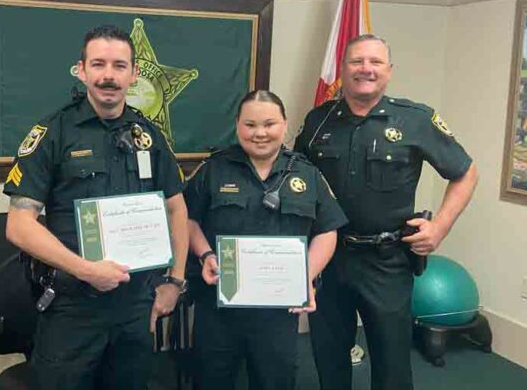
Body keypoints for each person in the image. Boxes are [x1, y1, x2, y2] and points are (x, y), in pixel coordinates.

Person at [3, 24, 189, 390]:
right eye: (99, 64)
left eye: (119, 66)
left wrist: (175, 282)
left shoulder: (149, 135)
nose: (108, 76)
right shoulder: (53, 133)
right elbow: (19, 225)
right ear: (81, 69)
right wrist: (86, 270)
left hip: (135, 305)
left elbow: (176, 210)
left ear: (134, 74)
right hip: (73, 306)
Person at [294, 34, 478, 390]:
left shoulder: (416, 119)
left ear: (389, 71)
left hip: (386, 260)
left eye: (375, 62)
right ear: (343, 70)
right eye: (356, 61)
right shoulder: (319, 119)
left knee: (392, 363)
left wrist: (439, 227)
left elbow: (465, 172)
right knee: (328, 357)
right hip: (328, 259)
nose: (366, 69)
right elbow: (299, 178)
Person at [185, 90, 348, 390]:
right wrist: (206, 254)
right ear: (237, 126)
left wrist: (305, 277)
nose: (259, 133)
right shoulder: (213, 169)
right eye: (250, 124)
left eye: (269, 124)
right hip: (219, 306)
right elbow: (188, 219)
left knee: (275, 381)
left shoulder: (308, 174)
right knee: (210, 380)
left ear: (284, 125)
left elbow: (327, 230)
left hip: (278, 311)